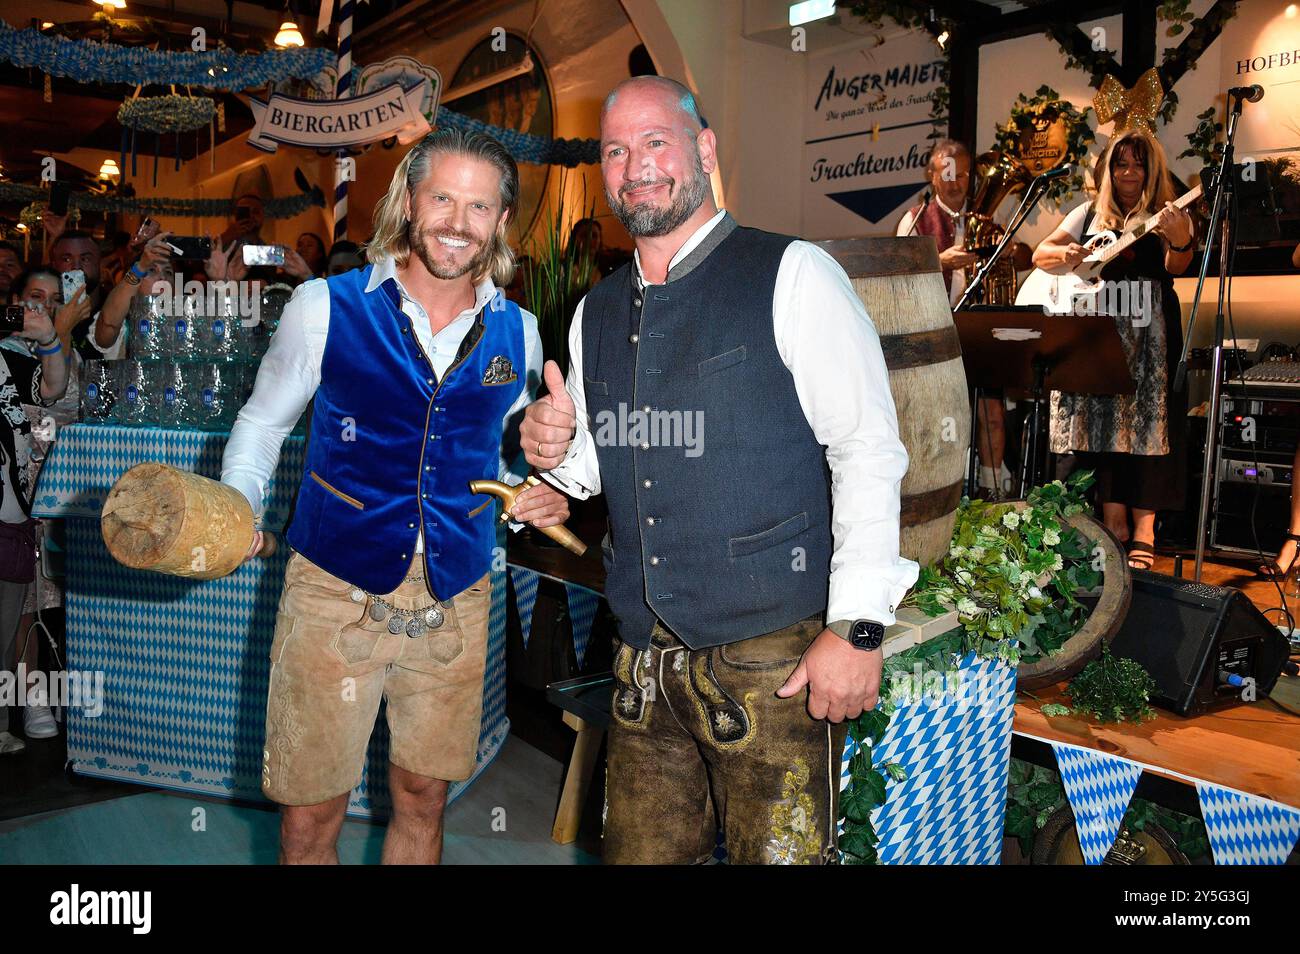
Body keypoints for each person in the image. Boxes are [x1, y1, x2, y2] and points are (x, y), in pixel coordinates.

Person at [521, 76, 917, 864]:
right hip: (641, 665)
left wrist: (859, 629)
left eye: (656, 141)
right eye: (616, 151)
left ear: (703, 150)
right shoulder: (595, 310)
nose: (636, 166)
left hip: (773, 661)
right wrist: (553, 449)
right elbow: (605, 457)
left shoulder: (794, 273)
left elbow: (869, 449)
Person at [221, 127, 569, 864]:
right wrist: (237, 511)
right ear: (409, 202)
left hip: (459, 590)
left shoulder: (522, 331)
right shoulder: (324, 305)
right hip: (331, 585)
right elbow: (260, 424)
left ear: (500, 222)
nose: (457, 221)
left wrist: (544, 483)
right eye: (442, 197)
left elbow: (515, 454)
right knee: (313, 809)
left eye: (479, 207)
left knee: (424, 796)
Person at [1032, 128, 1195, 569]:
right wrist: (1070, 253)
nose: (1128, 172)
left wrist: (1181, 240)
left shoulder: (1168, 212)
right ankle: (1112, 525)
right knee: (1102, 429)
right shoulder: (1088, 213)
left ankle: (1145, 532)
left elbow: (1177, 265)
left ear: (1152, 169)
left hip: (1150, 333)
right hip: (1100, 332)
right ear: (1108, 170)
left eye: (1138, 163)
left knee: (1148, 430)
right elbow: (1041, 254)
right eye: (1120, 163)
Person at [897, 140, 1012, 498]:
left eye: (961, 174)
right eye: (946, 173)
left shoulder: (986, 221)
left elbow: (1019, 258)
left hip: (979, 333)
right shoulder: (915, 218)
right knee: (944, 418)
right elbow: (898, 273)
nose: (954, 181)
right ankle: (946, 491)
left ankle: (993, 494)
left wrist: (1005, 251)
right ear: (932, 176)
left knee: (991, 415)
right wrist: (940, 262)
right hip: (936, 334)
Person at [0, 289, 70, 755]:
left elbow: (53, 389)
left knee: (5, 629)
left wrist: (48, 342)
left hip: (8, 515)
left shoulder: (7, 358)